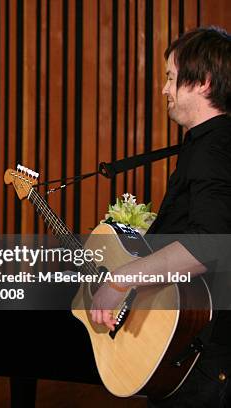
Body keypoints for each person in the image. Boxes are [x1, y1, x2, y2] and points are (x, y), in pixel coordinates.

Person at [91, 27, 231, 407]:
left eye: (171, 77)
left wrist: (119, 280)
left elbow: (211, 243)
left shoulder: (213, 148)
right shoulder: (209, 144)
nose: (165, 89)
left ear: (201, 82)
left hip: (205, 363)